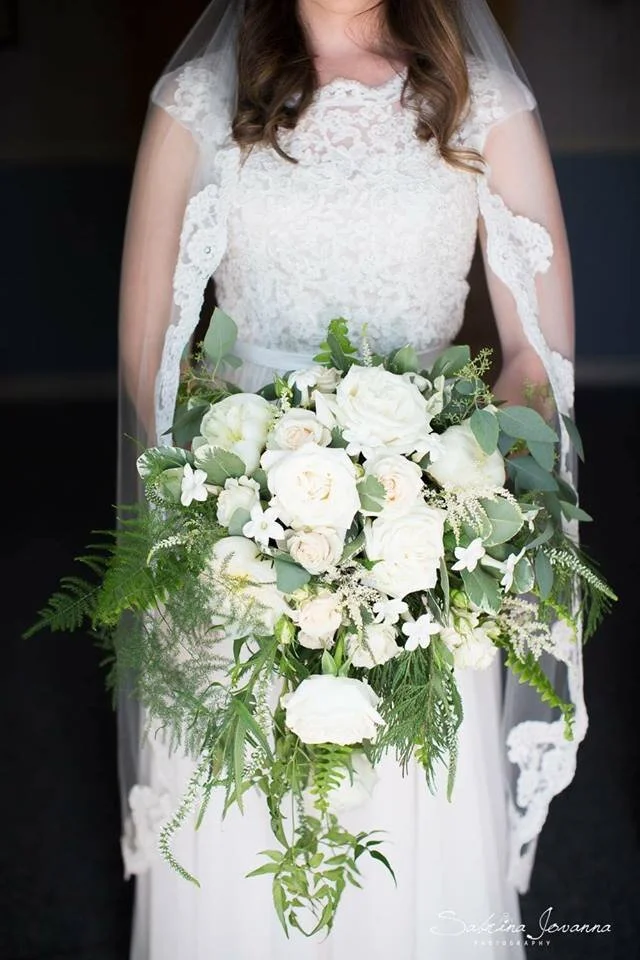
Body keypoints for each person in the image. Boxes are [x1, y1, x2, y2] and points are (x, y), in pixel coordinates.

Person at [118, 1, 583, 957]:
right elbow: (148, 360)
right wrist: (241, 521)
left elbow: (537, 362)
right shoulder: (199, 101)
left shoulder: (480, 101)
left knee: (410, 855)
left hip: (427, 552)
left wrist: (440, 525)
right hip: (235, 548)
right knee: (241, 852)